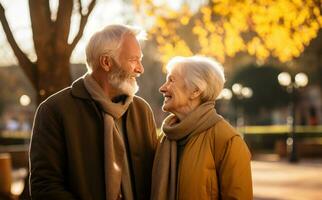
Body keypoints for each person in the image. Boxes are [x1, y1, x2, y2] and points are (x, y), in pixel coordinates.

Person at [29, 24, 158, 200]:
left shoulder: (142, 111)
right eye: (133, 60)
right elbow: (45, 186)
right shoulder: (54, 111)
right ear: (106, 62)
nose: (140, 69)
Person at [151, 56, 253, 200]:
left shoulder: (227, 140)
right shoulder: (163, 138)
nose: (162, 88)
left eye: (171, 80)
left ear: (195, 91)